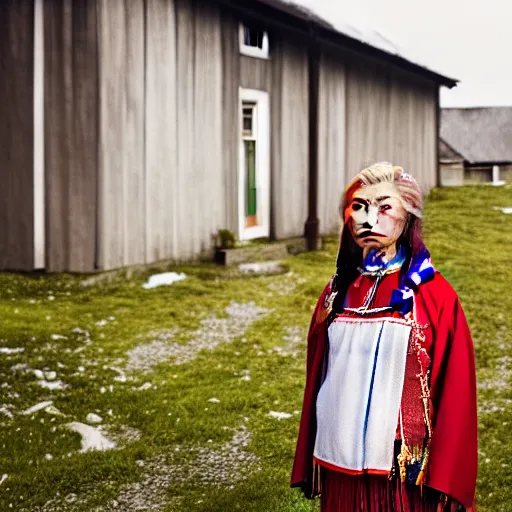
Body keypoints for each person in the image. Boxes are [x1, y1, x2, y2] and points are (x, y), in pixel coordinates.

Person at [291, 163, 477, 512]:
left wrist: (449, 477)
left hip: (401, 475)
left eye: (384, 206)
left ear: (408, 216)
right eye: (359, 206)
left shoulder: (435, 297)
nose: (368, 218)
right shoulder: (336, 293)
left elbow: (456, 391)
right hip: (340, 466)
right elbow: (317, 376)